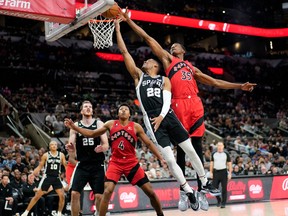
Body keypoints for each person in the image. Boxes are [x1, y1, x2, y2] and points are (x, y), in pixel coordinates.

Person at [118, 9, 257, 211]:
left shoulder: (191, 67)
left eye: (176, 45)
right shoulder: (167, 61)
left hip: (195, 104)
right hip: (176, 105)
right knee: (182, 151)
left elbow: (214, 81)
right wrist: (128, 21)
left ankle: (201, 188)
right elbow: (147, 38)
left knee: (197, 146)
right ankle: (185, 192)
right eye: (171, 45)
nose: (172, 46)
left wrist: (239, 86)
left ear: (183, 50)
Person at [115, 19, 221, 212]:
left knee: (190, 149)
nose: (145, 61)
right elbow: (124, 53)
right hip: (153, 122)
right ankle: (188, 190)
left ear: (155, 66)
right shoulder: (139, 77)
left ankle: (204, 182)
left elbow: (167, 100)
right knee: (171, 160)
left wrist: (164, 116)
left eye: (148, 61)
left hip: (168, 115)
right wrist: (118, 29)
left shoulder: (165, 79)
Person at [65, 103, 165, 216]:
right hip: (115, 163)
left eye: (126, 109)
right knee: (107, 192)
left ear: (129, 114)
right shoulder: (111, 124)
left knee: (150, 192)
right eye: (121, 109)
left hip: (131, 163)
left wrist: (161, 158)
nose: (123, 110)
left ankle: (160, 213)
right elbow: (92, 133)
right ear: (117, 113)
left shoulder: (136, 126)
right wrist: (75, 127)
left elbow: (148, 143)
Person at [66, 100, 109, 216]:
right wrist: (70, 147)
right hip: (82, 165)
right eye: (85, 106)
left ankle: (98, 213)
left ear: (93, 110)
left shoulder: (99, 124)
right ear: (81, 110)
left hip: (97, 165)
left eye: (90, 107)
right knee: (74, 193)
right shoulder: (75, 126)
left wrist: (102, 147)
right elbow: (71, 144)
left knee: (99, 196)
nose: (88, 108)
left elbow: (106, 144)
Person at [21, 141, 66, 216]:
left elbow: (65, 165)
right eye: (52, 144)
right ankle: (26, 212)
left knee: (62, 196)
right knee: (37, 196)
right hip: (47, 177)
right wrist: (33, 173)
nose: (54, 146)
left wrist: (68, 176)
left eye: (55, 144)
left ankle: (59, 213)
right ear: (49, 147)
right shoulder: (45, 155)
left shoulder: (61, 155)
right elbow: (40, 166)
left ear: (57, 146)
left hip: (56, 177)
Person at [210, 141, 232, 208]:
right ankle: (219, 200)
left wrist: (230, 173)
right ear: (217, 146)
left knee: (224, 189)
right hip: (216, 172)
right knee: (213, 188)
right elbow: (211, 163)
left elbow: (229, 164)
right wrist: (211, 172)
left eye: (221, 145)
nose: (219, 147)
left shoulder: (226, 153)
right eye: (218, 146)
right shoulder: (213, 153)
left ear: (223, 146)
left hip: (224, 172)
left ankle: (223, 203)